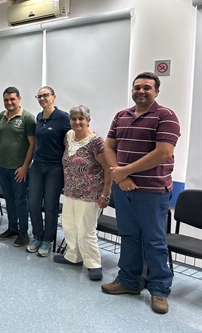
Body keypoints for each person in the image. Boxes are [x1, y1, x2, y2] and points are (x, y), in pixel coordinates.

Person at [101, 72, 180, 315]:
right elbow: (109, 146)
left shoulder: (166, 116)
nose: (141, 91)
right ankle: (128, 281)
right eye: (137, 87)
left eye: (147, 87)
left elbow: (164, 152)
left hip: (152, 191)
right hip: (123, 189)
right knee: (129, 236)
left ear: (156, 91)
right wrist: (121, 177)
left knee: (154, 241)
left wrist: (125, 172)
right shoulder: (120, 116)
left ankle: (159, 290)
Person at [55, 105, 112, 281]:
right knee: (69, 225)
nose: (77, 122)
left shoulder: (96, 142)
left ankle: (93, 264)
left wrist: (105, 194)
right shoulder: (68, 136)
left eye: (81, 118)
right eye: (74, 119)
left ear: (88, 120)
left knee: (86, 230)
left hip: (90, 193)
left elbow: (108, 168)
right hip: (70, 191)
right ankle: (74, 256)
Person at [27, 86, 71, 257]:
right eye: (39, 96)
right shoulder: (39, 117)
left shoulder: (62, 117)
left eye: (46, 95)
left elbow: (73, 138)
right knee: (33, 202)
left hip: (55, 167)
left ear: (54, 97)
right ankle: (37, 235)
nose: (42, 99)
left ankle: (47, 239)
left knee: (51, 205)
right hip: (37, 166)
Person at [0, 87, 36, 246]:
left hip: (19, 169)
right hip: (3, 167)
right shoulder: (1, 116)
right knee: (9, 199)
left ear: (19, 98)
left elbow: (33, 144)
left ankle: (24, 233)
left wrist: (25, 166)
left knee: (20, 200)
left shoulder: (28, 118)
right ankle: (13, 228)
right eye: (6, 100)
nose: (9, 102)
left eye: (12, 99)